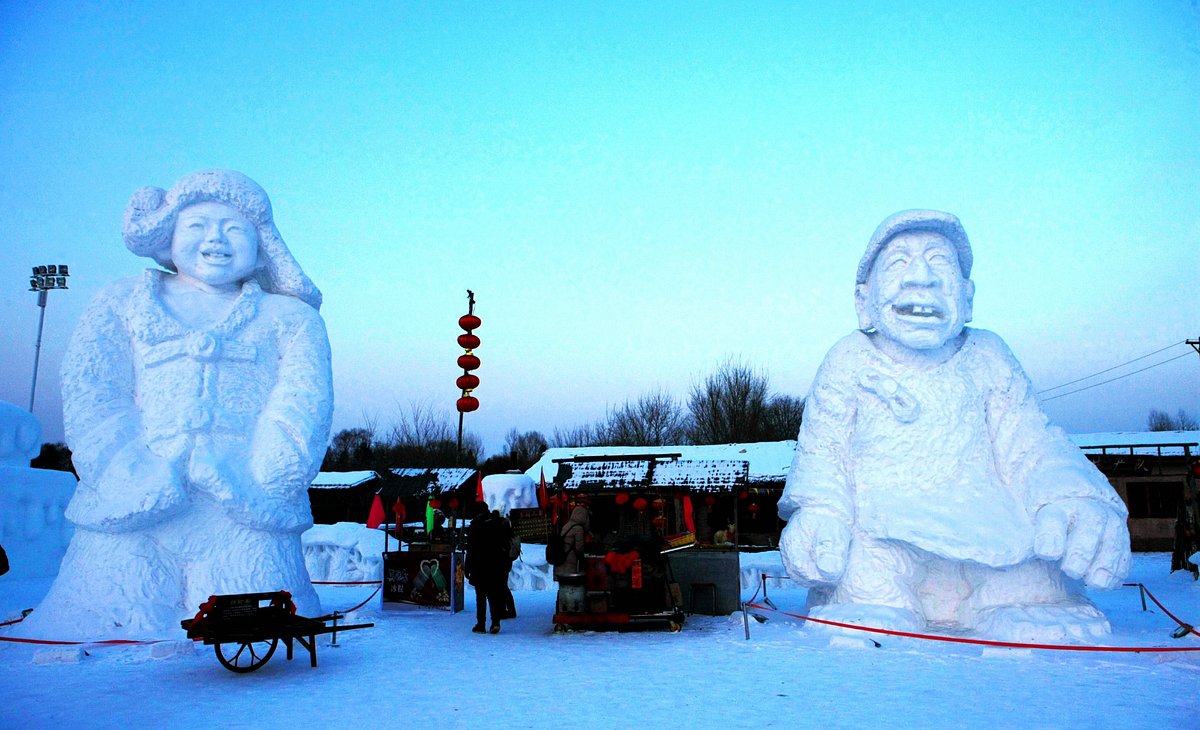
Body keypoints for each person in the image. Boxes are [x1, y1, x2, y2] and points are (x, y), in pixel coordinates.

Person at [778, 210, 1130, 643]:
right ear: (862, 299)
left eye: (940, 262)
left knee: (1034, 578)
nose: (920, 278)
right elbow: (822, 450)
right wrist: (821, 512)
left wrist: (1071, 495)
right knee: (865, 581)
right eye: (898, 263)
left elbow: (1030, 442)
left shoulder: (987, 355)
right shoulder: (849, 359)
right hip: (880, 526)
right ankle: (875, 605)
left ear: (967, 296)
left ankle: (1011, 602)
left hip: (988, 525)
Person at [24, 170, 331, 639]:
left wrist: (270, 475)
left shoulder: (290, 318)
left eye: (234, 228)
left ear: (261, 241)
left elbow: (301, 403)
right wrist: (126, 469)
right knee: (117, 607)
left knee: (254, 594)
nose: (216, 241)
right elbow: (93, 392)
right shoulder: (120, 302)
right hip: (129, 506)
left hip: (248, 507)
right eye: (198, 226)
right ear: (167, 234)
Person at [465, 510, 512, 634]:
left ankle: (481, 624)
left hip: (478, 566)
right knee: (494, 596)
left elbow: (470, 549)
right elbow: (505, 546)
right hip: (494, 565)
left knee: (480, 597)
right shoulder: (498, 526)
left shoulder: (475, 526)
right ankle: (495, 622)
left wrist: (468, 567)